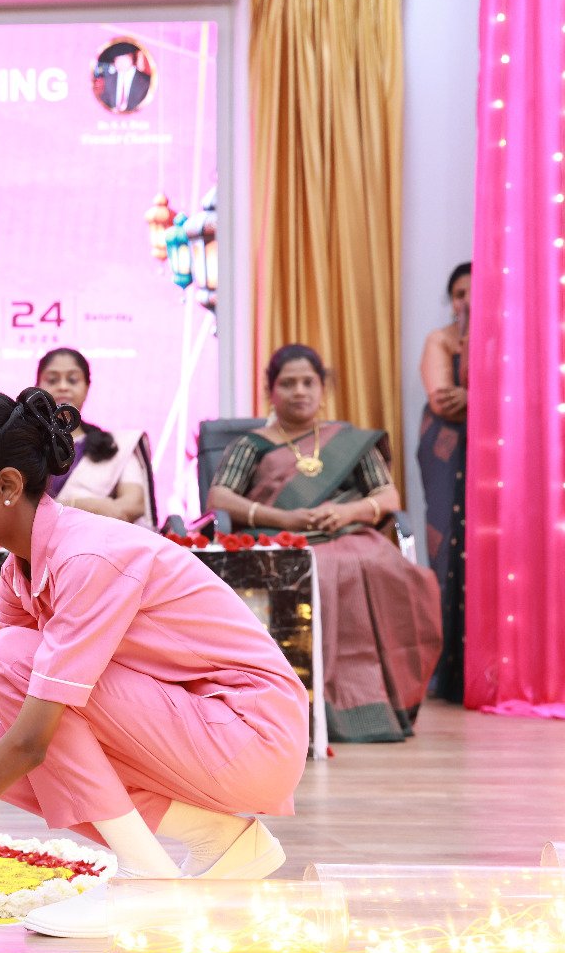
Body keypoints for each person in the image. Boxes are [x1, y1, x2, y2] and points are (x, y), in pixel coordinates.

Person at [0, 387, 308, 939]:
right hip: (206, 736)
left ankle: (147, 878)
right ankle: (221, 839)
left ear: (6, 486)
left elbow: (31, 742)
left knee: (10, 661)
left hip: (251, 733)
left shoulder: (86, 557)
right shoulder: (19, 571)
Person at [206, 344, 442, 742]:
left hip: (348, 534)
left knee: (390, 571)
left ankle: (379, 706)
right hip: (281, 540)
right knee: (326, 570)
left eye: (308, 383)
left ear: (322, 389)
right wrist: (284, 518)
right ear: (271, 391)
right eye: (288, 383)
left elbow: (387, 496)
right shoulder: (252, 445)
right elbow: (220, 497)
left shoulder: (346, 441)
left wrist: (347, 513)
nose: (299, 391)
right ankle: (306, 710)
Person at [417, 263, 471, 704]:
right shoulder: (440, 339)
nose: (466, 301)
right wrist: (487, 397)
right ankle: (449, 674)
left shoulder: (513, 339)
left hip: (497, 450)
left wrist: (472, 396)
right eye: (459, 293)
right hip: (445, 448)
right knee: (448, 544)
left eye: (475, 291)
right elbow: (444, 402)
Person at [35, 347, 155, 526]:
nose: (63, 386)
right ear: (37, 388)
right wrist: (88, 505)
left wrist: (66, 506)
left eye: (72, 380)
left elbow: (132, 505)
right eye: (52, 380)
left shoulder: (116, 446)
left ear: (86, 387)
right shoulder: (25, 445)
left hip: (96, 540)